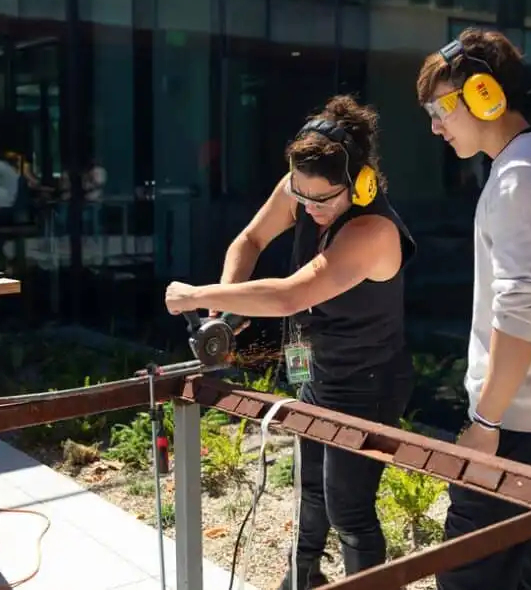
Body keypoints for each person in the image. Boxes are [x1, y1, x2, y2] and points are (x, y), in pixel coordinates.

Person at [164, 95, 417, 589]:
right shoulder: (304, 188)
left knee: (349, 509)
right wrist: (221, 314)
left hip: (367, 384)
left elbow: (290, 294)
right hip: (315, 369)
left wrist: (195, 295)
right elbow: (250, 241)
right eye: (301, 196)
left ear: (360, 182)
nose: (308, 208)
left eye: (322, 200)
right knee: (310, 494)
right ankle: (300, 581)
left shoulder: (372, 231)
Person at [415, 27, 531, 590]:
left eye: (440, 109)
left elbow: (521, 311)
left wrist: (484, 423)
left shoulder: (522, 177)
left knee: (467, 573)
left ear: (485, 94)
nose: (435, 126)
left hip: (515, 421)